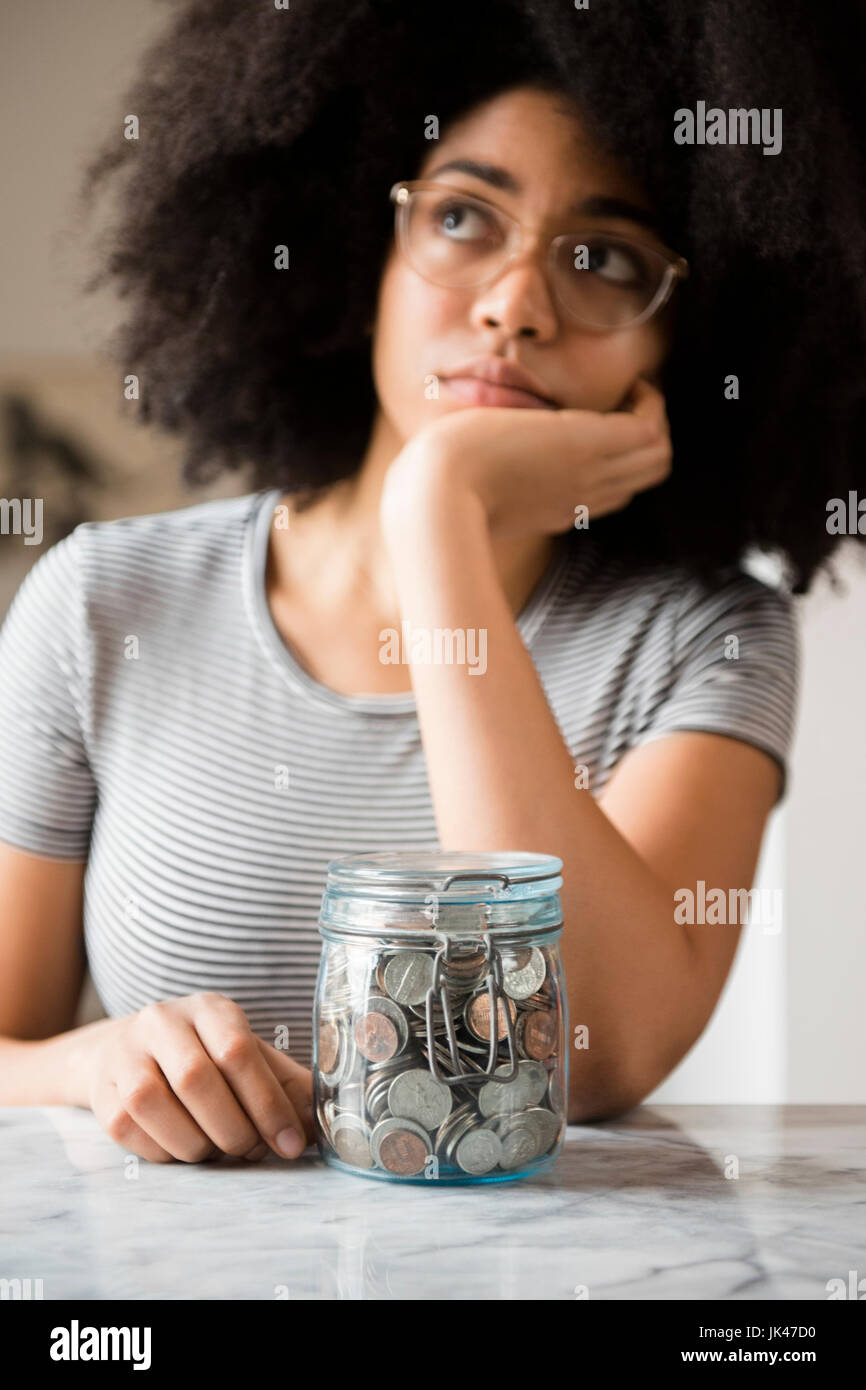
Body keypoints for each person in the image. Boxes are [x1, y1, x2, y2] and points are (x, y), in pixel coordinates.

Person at [0, 0, 863, 1165]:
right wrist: (97, 1061)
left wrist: (438, 514)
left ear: (687, 340)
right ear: (364, 251)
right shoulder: (103, 602)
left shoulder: (701, 636)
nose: (515, 303)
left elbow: (591, 1047)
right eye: (461, 216)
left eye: (603, 258)